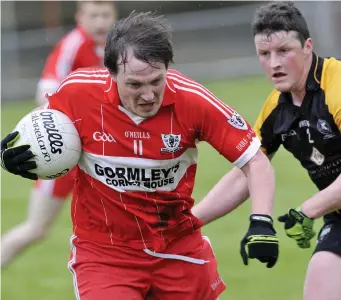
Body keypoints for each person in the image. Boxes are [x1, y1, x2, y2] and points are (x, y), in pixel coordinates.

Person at [1, 11, 279, 299]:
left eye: (156, 81)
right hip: (105, 253)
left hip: (177, 246)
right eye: (135, 84)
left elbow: (255, 161)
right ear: (111, 74)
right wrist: (14, 147)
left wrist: (261, 221)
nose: (148, 95)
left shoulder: (193, 101)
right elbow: (47, 118)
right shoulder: (79, 92)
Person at [192, 2, 341, 300]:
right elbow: (247, 171)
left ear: (307, 46)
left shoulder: (336, 86)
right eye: (264, 54)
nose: (274, 63)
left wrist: (308, 209)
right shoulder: (276, 108)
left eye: (283, 51)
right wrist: (190, 222)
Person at [1, 0, 117, 267]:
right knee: (35, 229)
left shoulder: (118, 47)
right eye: (93, 15)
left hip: (102, 153)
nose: (100, 22)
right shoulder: (73, 45)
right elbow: (44, 92)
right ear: (79, 17)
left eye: (105, 15)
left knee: (118, 227)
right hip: (65, 153)